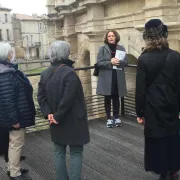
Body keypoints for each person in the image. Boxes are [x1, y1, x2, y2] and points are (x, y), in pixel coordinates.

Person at [37, 41, 90, 180]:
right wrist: (57, 116)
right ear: (66, 53)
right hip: (73, 119)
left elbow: (41, 97)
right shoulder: (70, 73)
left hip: (54, 119)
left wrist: (49, 114)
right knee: (76, 152)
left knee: (58, 151)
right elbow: (68, 98)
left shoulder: (45, 73)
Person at [136, 19, 180, 180]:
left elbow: (140, 90)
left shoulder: (143, 59)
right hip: (172, 105)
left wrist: (140, 112)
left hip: (152, 108)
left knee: (157, 140)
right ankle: (173, 170)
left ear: (147, 37)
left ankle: (162, 173)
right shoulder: (175, 56)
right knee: (172, 137)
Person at [0, 42, 36, 180]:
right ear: (6, 55)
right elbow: (8, 100)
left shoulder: (6, 70)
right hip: (15, 118)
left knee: (13, 143)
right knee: (16, 143)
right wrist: (15, 120)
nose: (12, 54)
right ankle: (15, 173)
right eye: (10, 52)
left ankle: (12, 168)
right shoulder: (6, 74)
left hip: (10, 116)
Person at [96, 30, 128, 128]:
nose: (111, 37)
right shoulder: (102, 48)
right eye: (109, 36)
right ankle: (109, 118)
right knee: (107, 97)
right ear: (106, 38)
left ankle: (116, 117)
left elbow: (126, 61)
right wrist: (110, 62)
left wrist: (118, 62)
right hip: (106, 77)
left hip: (117, 76)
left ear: (116, 37)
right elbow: (99, 63)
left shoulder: (121, 48)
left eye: (112, 36)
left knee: (116, 97)